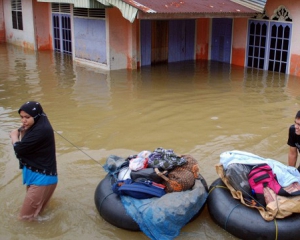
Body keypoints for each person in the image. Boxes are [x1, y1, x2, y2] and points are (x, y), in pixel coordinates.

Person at [10, 101, 58, 221]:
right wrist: (24, 128)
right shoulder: (40, 120)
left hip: (42, 179)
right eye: (21, 117)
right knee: (37, 215)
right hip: (39, 174)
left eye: (27, 117)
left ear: (36, 116)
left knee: (24, 219)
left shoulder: (41, 130)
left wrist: (14, 136)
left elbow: (19, 149)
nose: (23, 121)